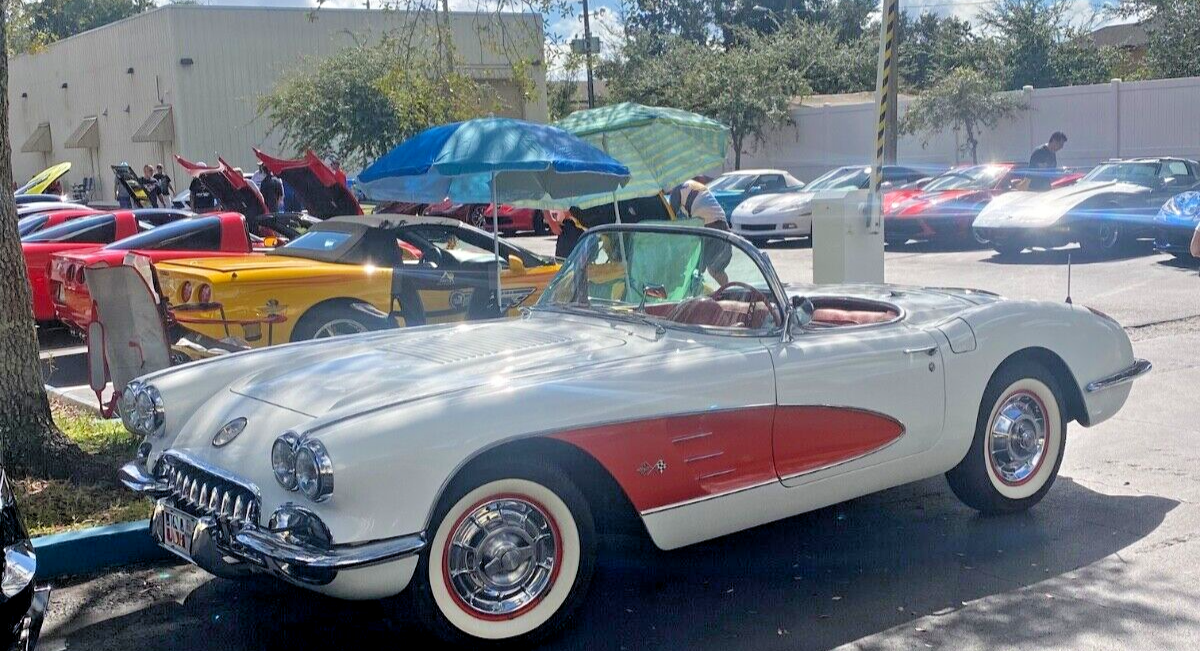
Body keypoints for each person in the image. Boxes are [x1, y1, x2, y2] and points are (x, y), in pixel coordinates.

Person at [670, 178, 731, 285]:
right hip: (722, 224)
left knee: (695, 268)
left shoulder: (677, 191)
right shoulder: (692, 185)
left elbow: (672, 218)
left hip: (706, 225)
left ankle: (694, 296)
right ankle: (729, 291)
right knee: (715, 270)